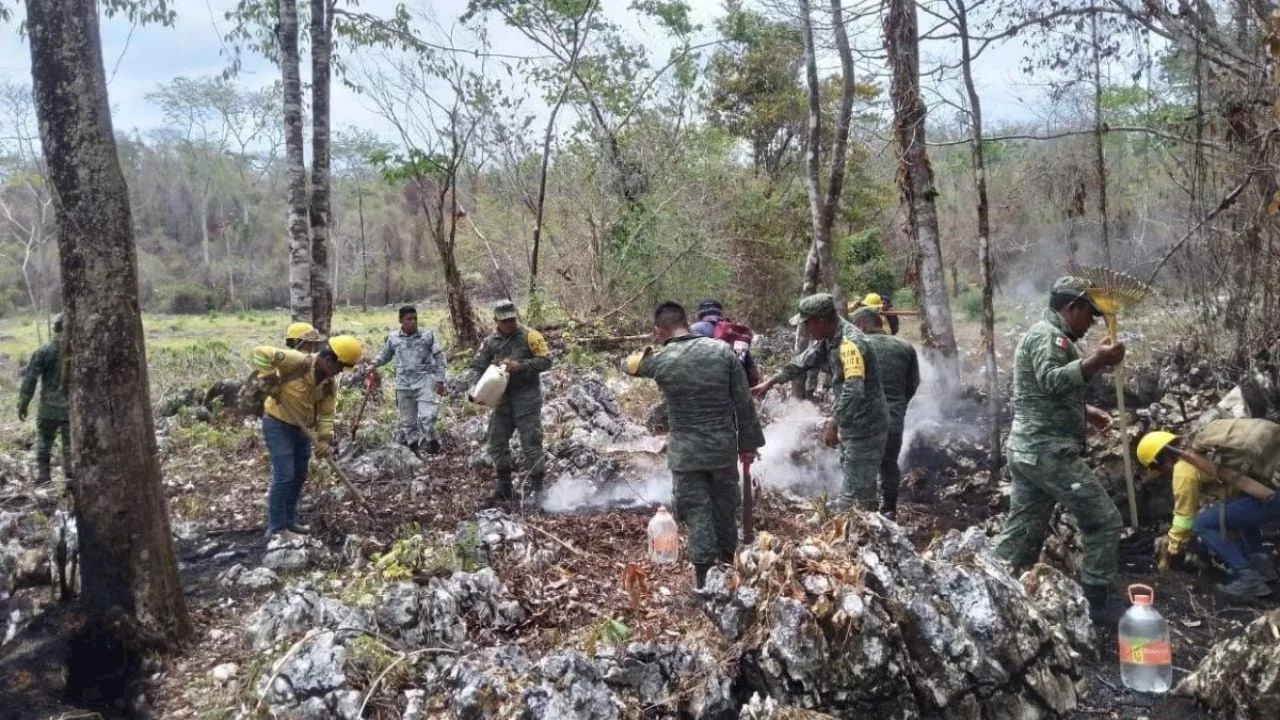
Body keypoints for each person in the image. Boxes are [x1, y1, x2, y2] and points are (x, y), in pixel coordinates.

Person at [993, 276, 1127, 624]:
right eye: (1089, 315)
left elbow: (1042, 392)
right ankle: (1097, 603)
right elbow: (1052, 379)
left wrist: (1088, 413)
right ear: (1073, 308)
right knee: (1104, 520)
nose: (1092, 323)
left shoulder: (1048, 336)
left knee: (1023, 533)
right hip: (1048, 452)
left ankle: (990, 588)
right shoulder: (1049, 336)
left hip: (1029, 451)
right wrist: (1098, 360)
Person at [622, 302, 765, 588]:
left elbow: (628, 364)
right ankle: (729, 571)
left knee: (698, 514)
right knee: (725, 510)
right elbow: (744, 403)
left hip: (687, 456)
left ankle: (703, 583)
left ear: (658, 331)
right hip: (722, 450)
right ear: (687, 322)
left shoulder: (662, 359)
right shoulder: (722, 352)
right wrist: (748, 444)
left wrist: (649, 349)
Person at [752, 293, 889, 511]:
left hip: (867, 425)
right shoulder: (829, 339)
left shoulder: (850, 343)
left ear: (821, 321)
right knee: (858, 478)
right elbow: (802, 362)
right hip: (853, 422)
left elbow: (854, 391)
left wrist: (834, 425)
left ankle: (858, 525)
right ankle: (868, 516)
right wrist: (771, 382)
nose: (806, 329)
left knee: (852, 494)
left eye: (807, 323)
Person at [1139, 420, 1280, 601]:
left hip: (1273, 496)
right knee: (1237, 513)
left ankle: (1247, 577)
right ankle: (1262, 567)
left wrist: (1172, 550)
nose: (1162, 472)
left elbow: (1184, 517)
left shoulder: (1184, 470)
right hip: (1273, 486)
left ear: (1162, 460)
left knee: (1201, 524)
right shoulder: (1203, 450)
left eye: (1157, 467)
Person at [252, 335, 363, 538]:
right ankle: (277, 528)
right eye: (340, 367)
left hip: (302, 430)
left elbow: (327, 414)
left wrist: (324, 440)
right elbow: (260, 353)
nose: (340, 372)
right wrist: (270, 380)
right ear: (328, 360)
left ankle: (290, 521)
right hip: (277, 423)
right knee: (284, 475)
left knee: (299, 475)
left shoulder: (329, 385)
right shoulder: (297, 361)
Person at [467, 300, 552, 505]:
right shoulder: (490, 342)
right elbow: (477, 366)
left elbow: (546, 361)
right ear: (496, 321)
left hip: (527, 398)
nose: (509, 324)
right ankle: (504, 487)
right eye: (504, 321)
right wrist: (474, 388)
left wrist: (520, 366)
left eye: (512, 319)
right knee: (496, 443)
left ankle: (538, 490)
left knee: (531, 444)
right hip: (502, 400)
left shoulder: (530, 336)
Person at [851, 305, 919, 518]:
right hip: (894, 417)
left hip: (865, 418)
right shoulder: (905, 347)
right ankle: (889, 510)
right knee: (889, 464)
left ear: (862, 324)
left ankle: (867, 514)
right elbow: (913, 384)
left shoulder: (856, 346)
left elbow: (849, 386)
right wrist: (899, 405)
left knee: (864, 464)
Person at [372, 305, 447, 455]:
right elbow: (385, 355)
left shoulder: (427, 336)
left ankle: (433, 444)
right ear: (401, 320)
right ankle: (414, 450)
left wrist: (440, 380)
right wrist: (373, 364)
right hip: (403, 384)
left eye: (415, 319)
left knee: (428, 416)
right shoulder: (393, 338)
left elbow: (440, 357)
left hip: (424, 380)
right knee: (408, 421)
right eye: (409, 319)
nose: (413, 322)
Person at [17, 314, 70, 486]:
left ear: (55, 328)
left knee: (44, 441)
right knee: (70, 447)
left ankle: (44, 477)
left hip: (48, 408)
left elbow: (30, 379)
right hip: (71, 411)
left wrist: (23, 403)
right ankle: (71, 479)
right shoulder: (78, 352)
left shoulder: (44, 351)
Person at [689, 299, 762, 386]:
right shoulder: (734, 331)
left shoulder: (692, 330)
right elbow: (753, 376)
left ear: (699, 315)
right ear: (720, 313)